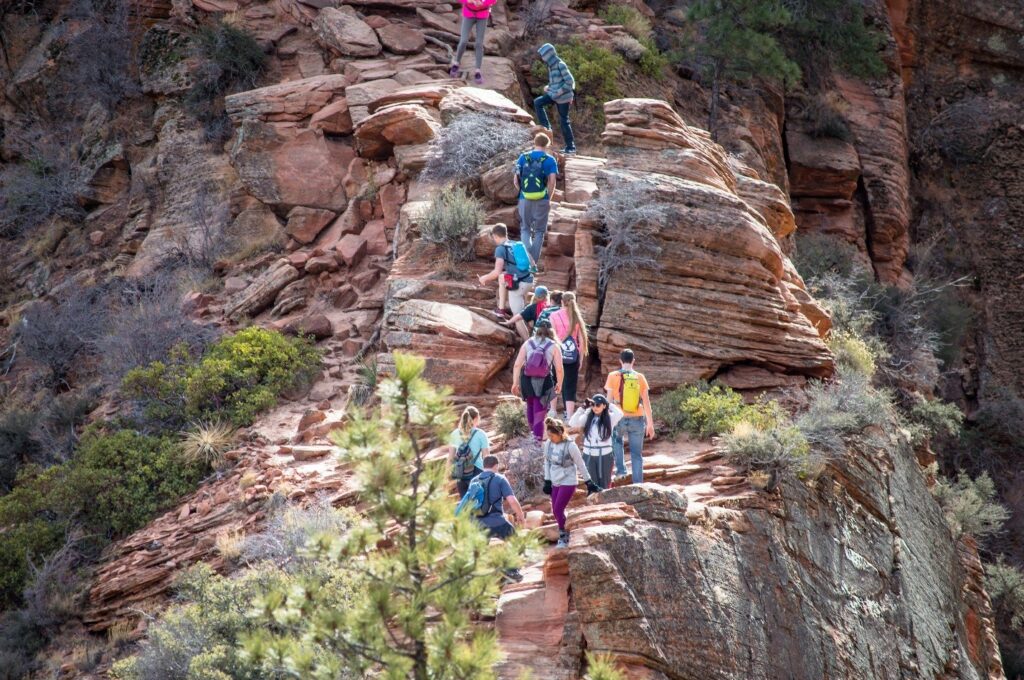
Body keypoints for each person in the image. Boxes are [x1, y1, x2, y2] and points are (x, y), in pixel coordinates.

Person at [542, 417, 601, 548]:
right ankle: (567, 527)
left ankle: (564, 536)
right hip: (555, 480)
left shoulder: (571, 446)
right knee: (556, 511)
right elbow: (547, 462)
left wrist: (588, 481)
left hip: (568, 481)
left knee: (558, 509)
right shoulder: (549, 444)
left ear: (559, 433)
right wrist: (547, 480)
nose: (550, 438)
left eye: (552, 435)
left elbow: (581, 464)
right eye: (548, 435)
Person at [604, 349, 655, 483]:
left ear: (620, 361)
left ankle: (621, 471)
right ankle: (638, 483)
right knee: (636, 454)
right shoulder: (640, 377)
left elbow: (608, 400)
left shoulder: (612, 376)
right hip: (637, 418)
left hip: (618, 417)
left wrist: (604, 419)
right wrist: (650, 424)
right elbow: (646, 402)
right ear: (633, 361)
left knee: (617, 442)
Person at [511, 319, 563, 440]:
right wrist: (559, 383)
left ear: (536, 330)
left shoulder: (528, 342)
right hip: (544, 381)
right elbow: (559, 369)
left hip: (527, 379)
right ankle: (537, 440)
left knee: (530, 406)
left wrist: (515, 383)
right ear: (551, 331)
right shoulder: (554, 345)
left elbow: (517, 365)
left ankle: (532, 434)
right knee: (540, 411)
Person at [514, 132, 559, 264]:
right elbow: (552, 181)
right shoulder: (550, 160)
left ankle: (527, 262)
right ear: (547, 145)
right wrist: (548, 198)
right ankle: (533, 263)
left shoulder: (523, 157)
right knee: (539, 231)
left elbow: (516, 181)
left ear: (534, 143)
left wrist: (523, 193)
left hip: (524, 198)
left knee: (525, 229)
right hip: (542, 198)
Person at [478, 223, 534, 319]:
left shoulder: (500, 249)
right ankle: (501, 309)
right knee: (502, 277)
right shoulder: (517, 244)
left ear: (495, 236)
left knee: (518, 318)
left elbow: (496, 272)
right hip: (529, 280)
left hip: (519, 284)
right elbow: (532, 263)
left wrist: (484, 278)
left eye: (493, 238)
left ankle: (526, 330)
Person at [568, 395, 622, 491]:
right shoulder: (587, 418)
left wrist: (608, 404)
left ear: (604, 406)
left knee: (605, 483)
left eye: (598, 405)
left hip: (605, 455)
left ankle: (605, 504)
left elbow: (620, 414)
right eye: (593, 405)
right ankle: (593, 503)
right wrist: (583, 407)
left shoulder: (610, 418)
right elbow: (572, 422)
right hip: (589, 455)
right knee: (592, 484)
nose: (595, 407)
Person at [550, 291, 587, 418]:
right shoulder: (577, 317)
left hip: (557, 353)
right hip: (572, 356)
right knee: (570, 385)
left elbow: (552, 338)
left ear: (561, 301)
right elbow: (582, 340)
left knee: (554, 381)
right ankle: (569, 415)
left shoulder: (554, 315)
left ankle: (553, 411)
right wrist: (580, 358)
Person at [534, 43, 576, 154]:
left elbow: (570, 82)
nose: (542, 58)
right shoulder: (550, 66)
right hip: (554, 94)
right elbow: (556, 81)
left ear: (549, 55)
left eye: (543, 55)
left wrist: (558, 92)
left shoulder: (560, 64)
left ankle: (571, 148)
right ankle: (546, 128)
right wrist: (549, 87)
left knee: (564, 121)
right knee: (538, 102)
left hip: (563, 97)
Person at [449, 0, 496, 84]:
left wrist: (483, 3)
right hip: (469, 13)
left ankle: (477, 71)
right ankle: (456, 63)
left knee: (479, 43)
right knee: (463, 41)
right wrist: (470, 1)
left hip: (482, 15)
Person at [449, 406, 490, 497]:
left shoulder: (454, 434)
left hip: (460, 472)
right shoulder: (481, 434)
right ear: (476, 418)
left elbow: (450, 458)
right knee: (479, 502)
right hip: (477, 471)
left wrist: (446, 476)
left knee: (465, 506)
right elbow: (486, 456)